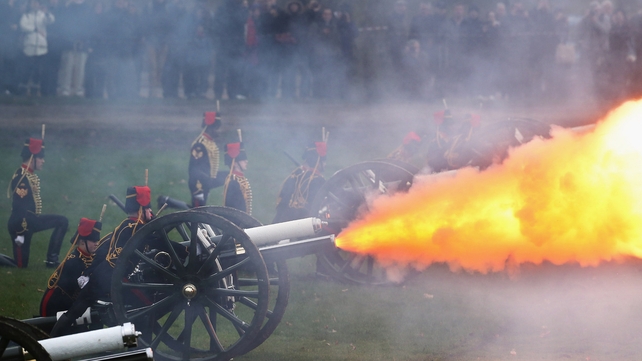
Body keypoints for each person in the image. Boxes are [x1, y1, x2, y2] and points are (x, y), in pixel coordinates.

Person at [49, 185, 157, 336]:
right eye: (148, 209)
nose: (151, 213)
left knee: (75, 311)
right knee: (147, 306)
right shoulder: (135, 228)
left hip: (103, 275)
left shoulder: (126, 226)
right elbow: (158, 240)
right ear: (141, 210)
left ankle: (50, 340)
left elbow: (102, 249)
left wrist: (89, 272)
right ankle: (143, 348)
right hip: (112, 277)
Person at [7, 137, 68, 268]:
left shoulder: (29, 174)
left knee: (62, 221)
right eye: (40, 158)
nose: (43, 161)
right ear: (32, 157)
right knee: (20, 265)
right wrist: (21, 230)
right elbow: (20, 207)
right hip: (20, 225)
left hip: (31, 220)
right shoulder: (21, 177)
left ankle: (52, 260)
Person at [40, 217, 102, 317]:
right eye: (93, 241)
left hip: (70, 303)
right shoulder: (74, 262)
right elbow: (87, 288)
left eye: (97, 241)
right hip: (56, 305)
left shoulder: (89, 258)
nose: (97, 244)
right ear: (82, 242)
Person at [273, 140, 326, 223]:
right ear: (318, 161)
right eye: (323, 161)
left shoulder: (293, 176)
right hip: (302, 225)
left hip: (281, 221)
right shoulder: (318, 181)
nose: (325, 164)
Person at [188, 111, 224, 207]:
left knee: (230, 176)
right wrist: (198, 191)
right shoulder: (199, 144)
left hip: (206, 181)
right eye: (217, 128)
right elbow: (195, 170)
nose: (219, 131)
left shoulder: (209, 142)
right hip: (199, 184)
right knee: (198, 213)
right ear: (211, 128)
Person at [222, 142, 252, 214]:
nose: (246, 161)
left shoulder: (238, 179)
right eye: (243, 159)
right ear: (235, 163)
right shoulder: (233, 182)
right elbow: (234, 209)